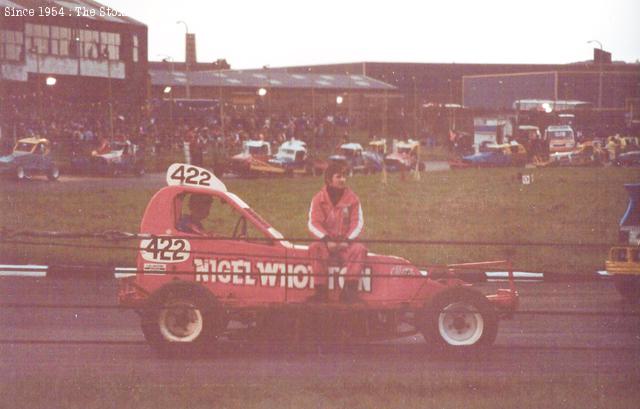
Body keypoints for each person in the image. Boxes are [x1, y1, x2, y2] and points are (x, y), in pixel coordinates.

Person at [307, 162, 367, 303]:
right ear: (329, 180)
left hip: (346, 244)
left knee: (359, 249)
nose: (343, 180)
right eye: (338, 176)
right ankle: (321, 291)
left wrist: (346, 241)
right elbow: (313, 223)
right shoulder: (318, 199)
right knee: (315, 248)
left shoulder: (353, 199)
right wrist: (327, 240)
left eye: (344, 176)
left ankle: (349, 291)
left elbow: (357, 223)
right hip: (327, 244)